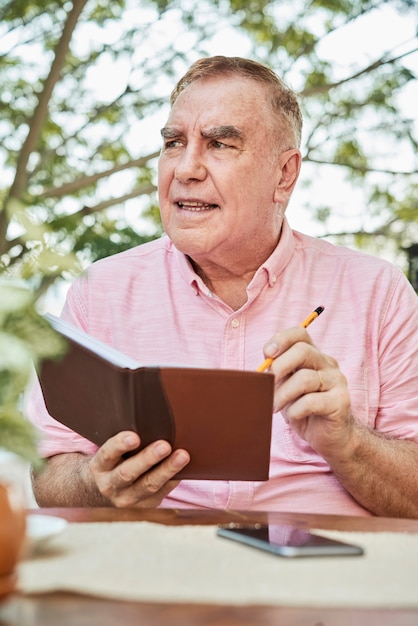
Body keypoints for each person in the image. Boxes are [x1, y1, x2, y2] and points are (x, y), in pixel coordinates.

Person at [28, 56, 418, 517]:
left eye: (219, 144)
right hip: (154, 558)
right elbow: (47, 474)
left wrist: (348, 443)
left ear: (284, 175)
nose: (186, 168)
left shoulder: (380, 292)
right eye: (174, 142)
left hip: (322, 564)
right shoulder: (100, 291)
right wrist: (95, 482)